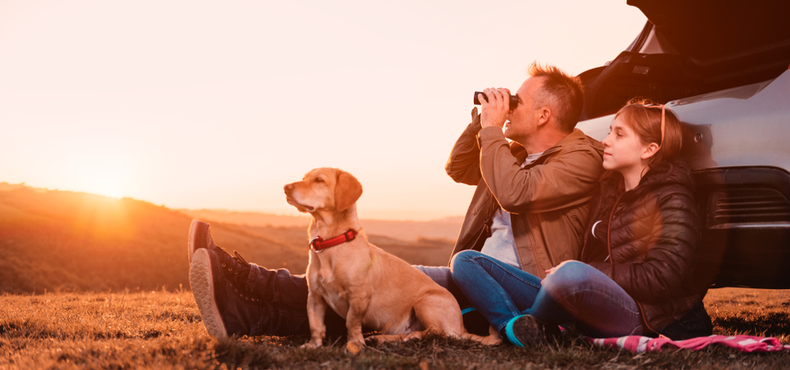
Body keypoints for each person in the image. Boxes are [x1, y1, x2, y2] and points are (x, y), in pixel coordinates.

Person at [187, 62, 605, 339]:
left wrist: (494, 131)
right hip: (470, 280)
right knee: (366, 282)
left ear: (546, 116)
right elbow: (458, 168)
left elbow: (516, 194)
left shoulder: (582, 158)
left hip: (517, 287)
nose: (508, 107)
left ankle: (248, 294)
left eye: (518, 101)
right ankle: (247, 293)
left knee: (379, 284)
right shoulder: (509, 151)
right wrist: (481, 123)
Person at [450, 100, 713, 347]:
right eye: (610, 132)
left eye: (619, 135)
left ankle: (510, 319)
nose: (606, 141)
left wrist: (589, 272)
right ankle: (518, 326)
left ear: (649, 149)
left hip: (646, 317)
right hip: (586, 305)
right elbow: (460, 168)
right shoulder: (608, 192)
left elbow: (661, 279)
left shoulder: (673, 199)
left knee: (570, 274)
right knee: (465, 261)